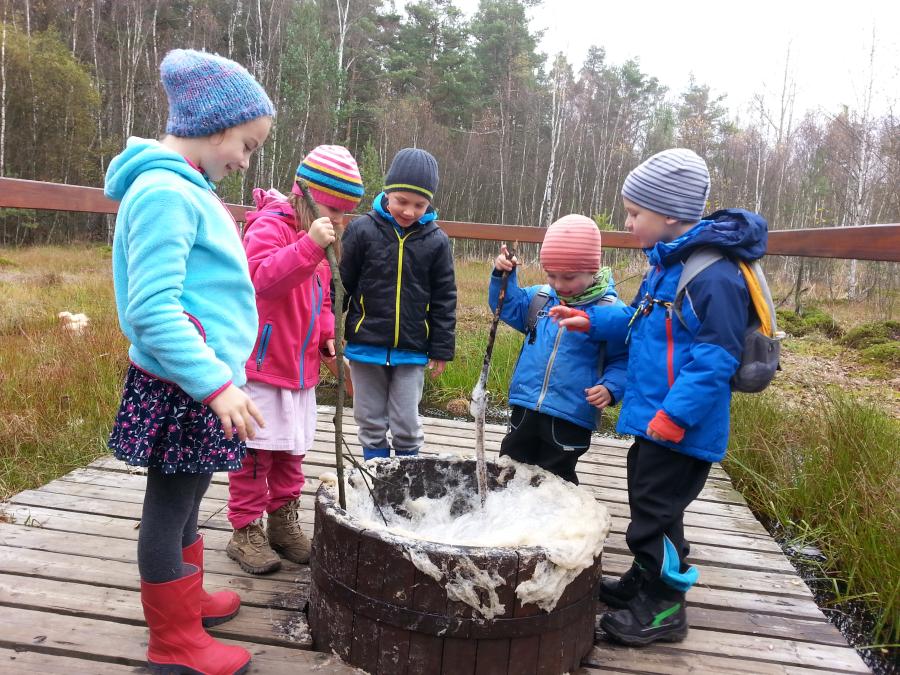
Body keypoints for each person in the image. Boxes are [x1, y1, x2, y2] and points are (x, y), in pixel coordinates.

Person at [551, 148, 768, 646]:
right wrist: (591, 320)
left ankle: (665, 608)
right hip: (655, 418)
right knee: (651, 507)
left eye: (634, 213)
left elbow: (715, 357)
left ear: (669, 214)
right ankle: (644, 581)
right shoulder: (668, 264)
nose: (627, 223)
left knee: (656, 515)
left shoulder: (711, 275)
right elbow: (638, 322)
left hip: (679, 425)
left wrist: (674, 415)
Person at [104, 48, 273, 675]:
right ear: (216, 126)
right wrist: (215, 385)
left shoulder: (186, 189)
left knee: (192, 491)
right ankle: (172, 642)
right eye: (247, 145)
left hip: (201, 385)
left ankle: (188, 595)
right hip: (185, 386)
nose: (245, 160)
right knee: (168, 506)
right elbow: (152, 308)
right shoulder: (163, 193)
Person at [226, 145, 363, 574]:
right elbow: (258, 280)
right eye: (333, 208)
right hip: (263, 367)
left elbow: (322, 298)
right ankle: (245, 529)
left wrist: (326, 338)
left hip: (299, 369)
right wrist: (307, 246)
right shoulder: (271, 226)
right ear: (303, 194)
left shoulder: (321, 238)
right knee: (254, 454)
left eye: (346, 213)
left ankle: (283, 522)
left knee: (291, 451)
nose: (339, 220)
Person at [489, 214, 628, 484]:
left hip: (571, 414)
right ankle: (507, 519)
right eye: (552, 275)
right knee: (511, 466)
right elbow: (506, 305)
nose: (560, 284)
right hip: (526, 404)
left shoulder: (610, 312)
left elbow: (623, 359)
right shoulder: (540, 298)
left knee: (557, 478)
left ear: (593, 270)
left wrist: (611, 387)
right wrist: (503, 276)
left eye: (569, 277)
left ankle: (559, 524)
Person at [339, 148, 456, 461]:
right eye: (402, 201)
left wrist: (442, 348)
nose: (409, 210)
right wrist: (326, 326)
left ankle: (407, 475)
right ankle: (376, 473)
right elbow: (342, 285)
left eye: (419, 204)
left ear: (429, 203)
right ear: (387, 193)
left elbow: (445, 297)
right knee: (369, 416)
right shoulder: (361, 230)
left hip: (413, 348)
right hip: (366, 345)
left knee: (406, 420)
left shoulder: (437, 241)